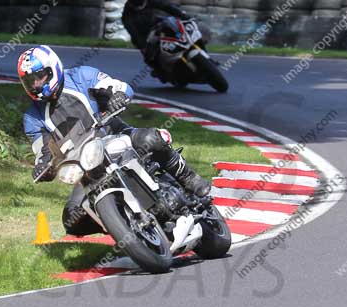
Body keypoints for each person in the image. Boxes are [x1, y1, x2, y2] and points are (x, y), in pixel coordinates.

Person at [18, 45, 211, 237]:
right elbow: (42, 151)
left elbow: (117, 85)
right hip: (85, 169)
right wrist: (43, 166)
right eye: (30, 82)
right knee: (72, 218)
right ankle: (121, 226)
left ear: (54, 68)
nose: (35, 85)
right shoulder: (32, 117)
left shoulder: (81, 76)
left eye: (39, 77)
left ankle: (188, 178)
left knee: (151, 138)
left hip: (116, 136)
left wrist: (117, 96)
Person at [122, 0, 192, 68]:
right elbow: (132, 30)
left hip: (156, 23)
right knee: (150, 55)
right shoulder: (127, 11)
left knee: (172, 24)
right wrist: (142, 45)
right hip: (143, 35)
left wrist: (182, 15)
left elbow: (165, 6)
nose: (138, 0)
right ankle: (161, 70)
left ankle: (187, 44)